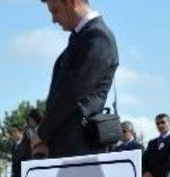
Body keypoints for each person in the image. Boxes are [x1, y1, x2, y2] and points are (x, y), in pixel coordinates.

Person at [32, 0, 118, 159]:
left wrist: (43, 133)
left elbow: (73, 93)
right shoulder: (82, 38)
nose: (54, 19)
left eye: (55, 11)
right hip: (67, 148)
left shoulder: (98, 37)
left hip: (80, 149)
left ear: (71, 2)